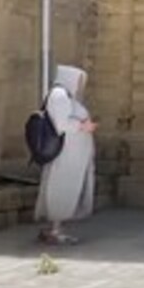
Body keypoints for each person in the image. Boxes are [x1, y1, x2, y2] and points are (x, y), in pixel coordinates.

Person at [35, 65, 97, 245]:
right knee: (61, 189)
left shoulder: (65, 97)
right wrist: (83, 126)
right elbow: (61, 124)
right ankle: (55, 230)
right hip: (66, 155)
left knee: (66, 189)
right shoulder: (59, 96)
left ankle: (55, 228)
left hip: (73, 156)